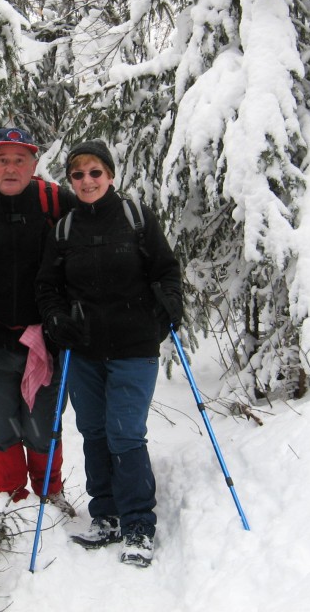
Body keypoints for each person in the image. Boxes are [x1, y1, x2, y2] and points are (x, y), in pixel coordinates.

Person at [35, 139, 183, 568]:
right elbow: (48, 287)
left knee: (124, 432)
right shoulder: (63, 230)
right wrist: (56, 319)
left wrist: (167, 306)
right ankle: (108, 514)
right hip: (84, 351)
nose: (86, 180)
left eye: (95, 172)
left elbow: (166, 270)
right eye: (77, 174)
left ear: (111, 175)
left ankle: (139, 523)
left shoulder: (137, 218)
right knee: (95, 430)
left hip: (134, 349)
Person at [0, 127, 77, 514]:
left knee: (44, 421)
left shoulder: (54, 201)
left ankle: (48, 494)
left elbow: (94, 238)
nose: (11, 168)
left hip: (46, 339)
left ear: (34, 165)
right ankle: (11, 498)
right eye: (2, 159)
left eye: (19, 159)